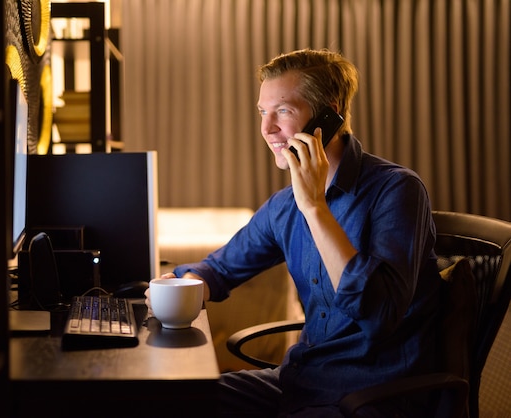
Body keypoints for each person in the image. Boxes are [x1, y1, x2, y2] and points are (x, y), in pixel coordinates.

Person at [147, 48, 441, 417]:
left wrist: (315, 208)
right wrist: (179, 287)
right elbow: (220, 268)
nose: (266, 128)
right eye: (262, 112)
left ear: (328, 115)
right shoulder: (284, 206)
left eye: (282, 111)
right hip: (301, 382)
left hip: (370, 396)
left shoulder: (397, 190)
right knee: (173, 399)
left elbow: (378, 314)